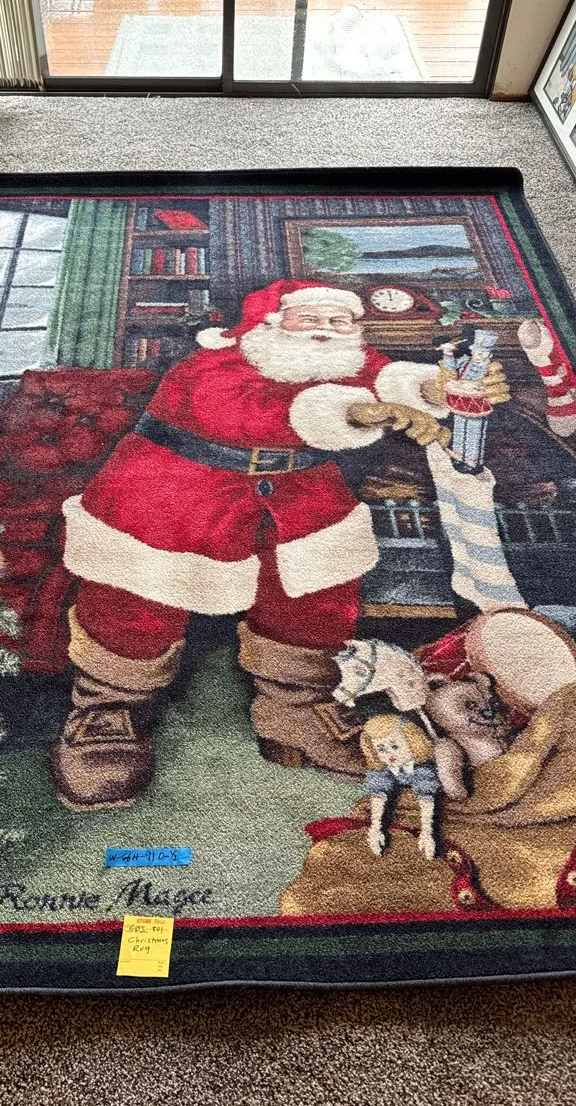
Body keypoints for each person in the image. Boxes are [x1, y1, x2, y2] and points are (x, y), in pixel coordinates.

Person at [54, 278, 507, 810]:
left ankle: (296, 709)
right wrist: (358, 413)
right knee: (139, 596)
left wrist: (438, 388)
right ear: (270, 324)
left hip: (296, 485)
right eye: (309, 319)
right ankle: (110, 702)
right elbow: (241, 411)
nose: (326, 330)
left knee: (317, 594)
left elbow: (382, 376)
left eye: (339, 321)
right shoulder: (215, 363)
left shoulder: (342, 361)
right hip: (174, 485)